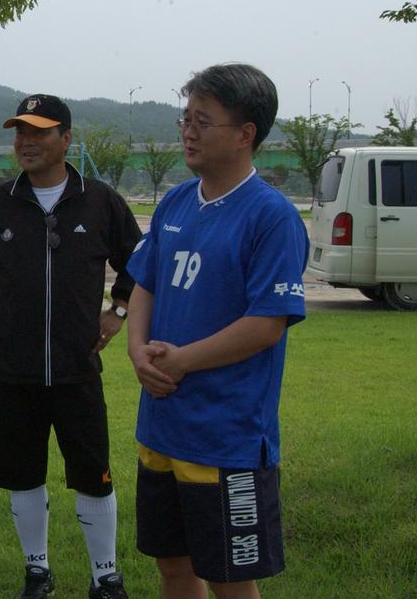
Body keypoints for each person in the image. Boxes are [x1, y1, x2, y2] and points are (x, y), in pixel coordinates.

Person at [0, 94, 140, 599]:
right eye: (20, 132)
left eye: (38, 131)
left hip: (79, 370)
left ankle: (105, 577)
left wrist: (118, 310)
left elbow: (140, 261)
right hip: (14, 372)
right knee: (22, 477)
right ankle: (37, 572)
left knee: (93, 477)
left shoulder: (100, 201)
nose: (26, 142)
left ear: (66, 139)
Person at [125, 64, 308, 599]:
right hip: (161, 426)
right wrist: (137, 351)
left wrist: (181, 361)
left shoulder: (271, 217)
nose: (188, 131)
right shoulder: (176, 201)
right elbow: (144, 284)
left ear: (246, 133)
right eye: (185, 119)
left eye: (202, 121)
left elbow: (266, 324)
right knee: (173, 567)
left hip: (225, 435)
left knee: (228, 580)